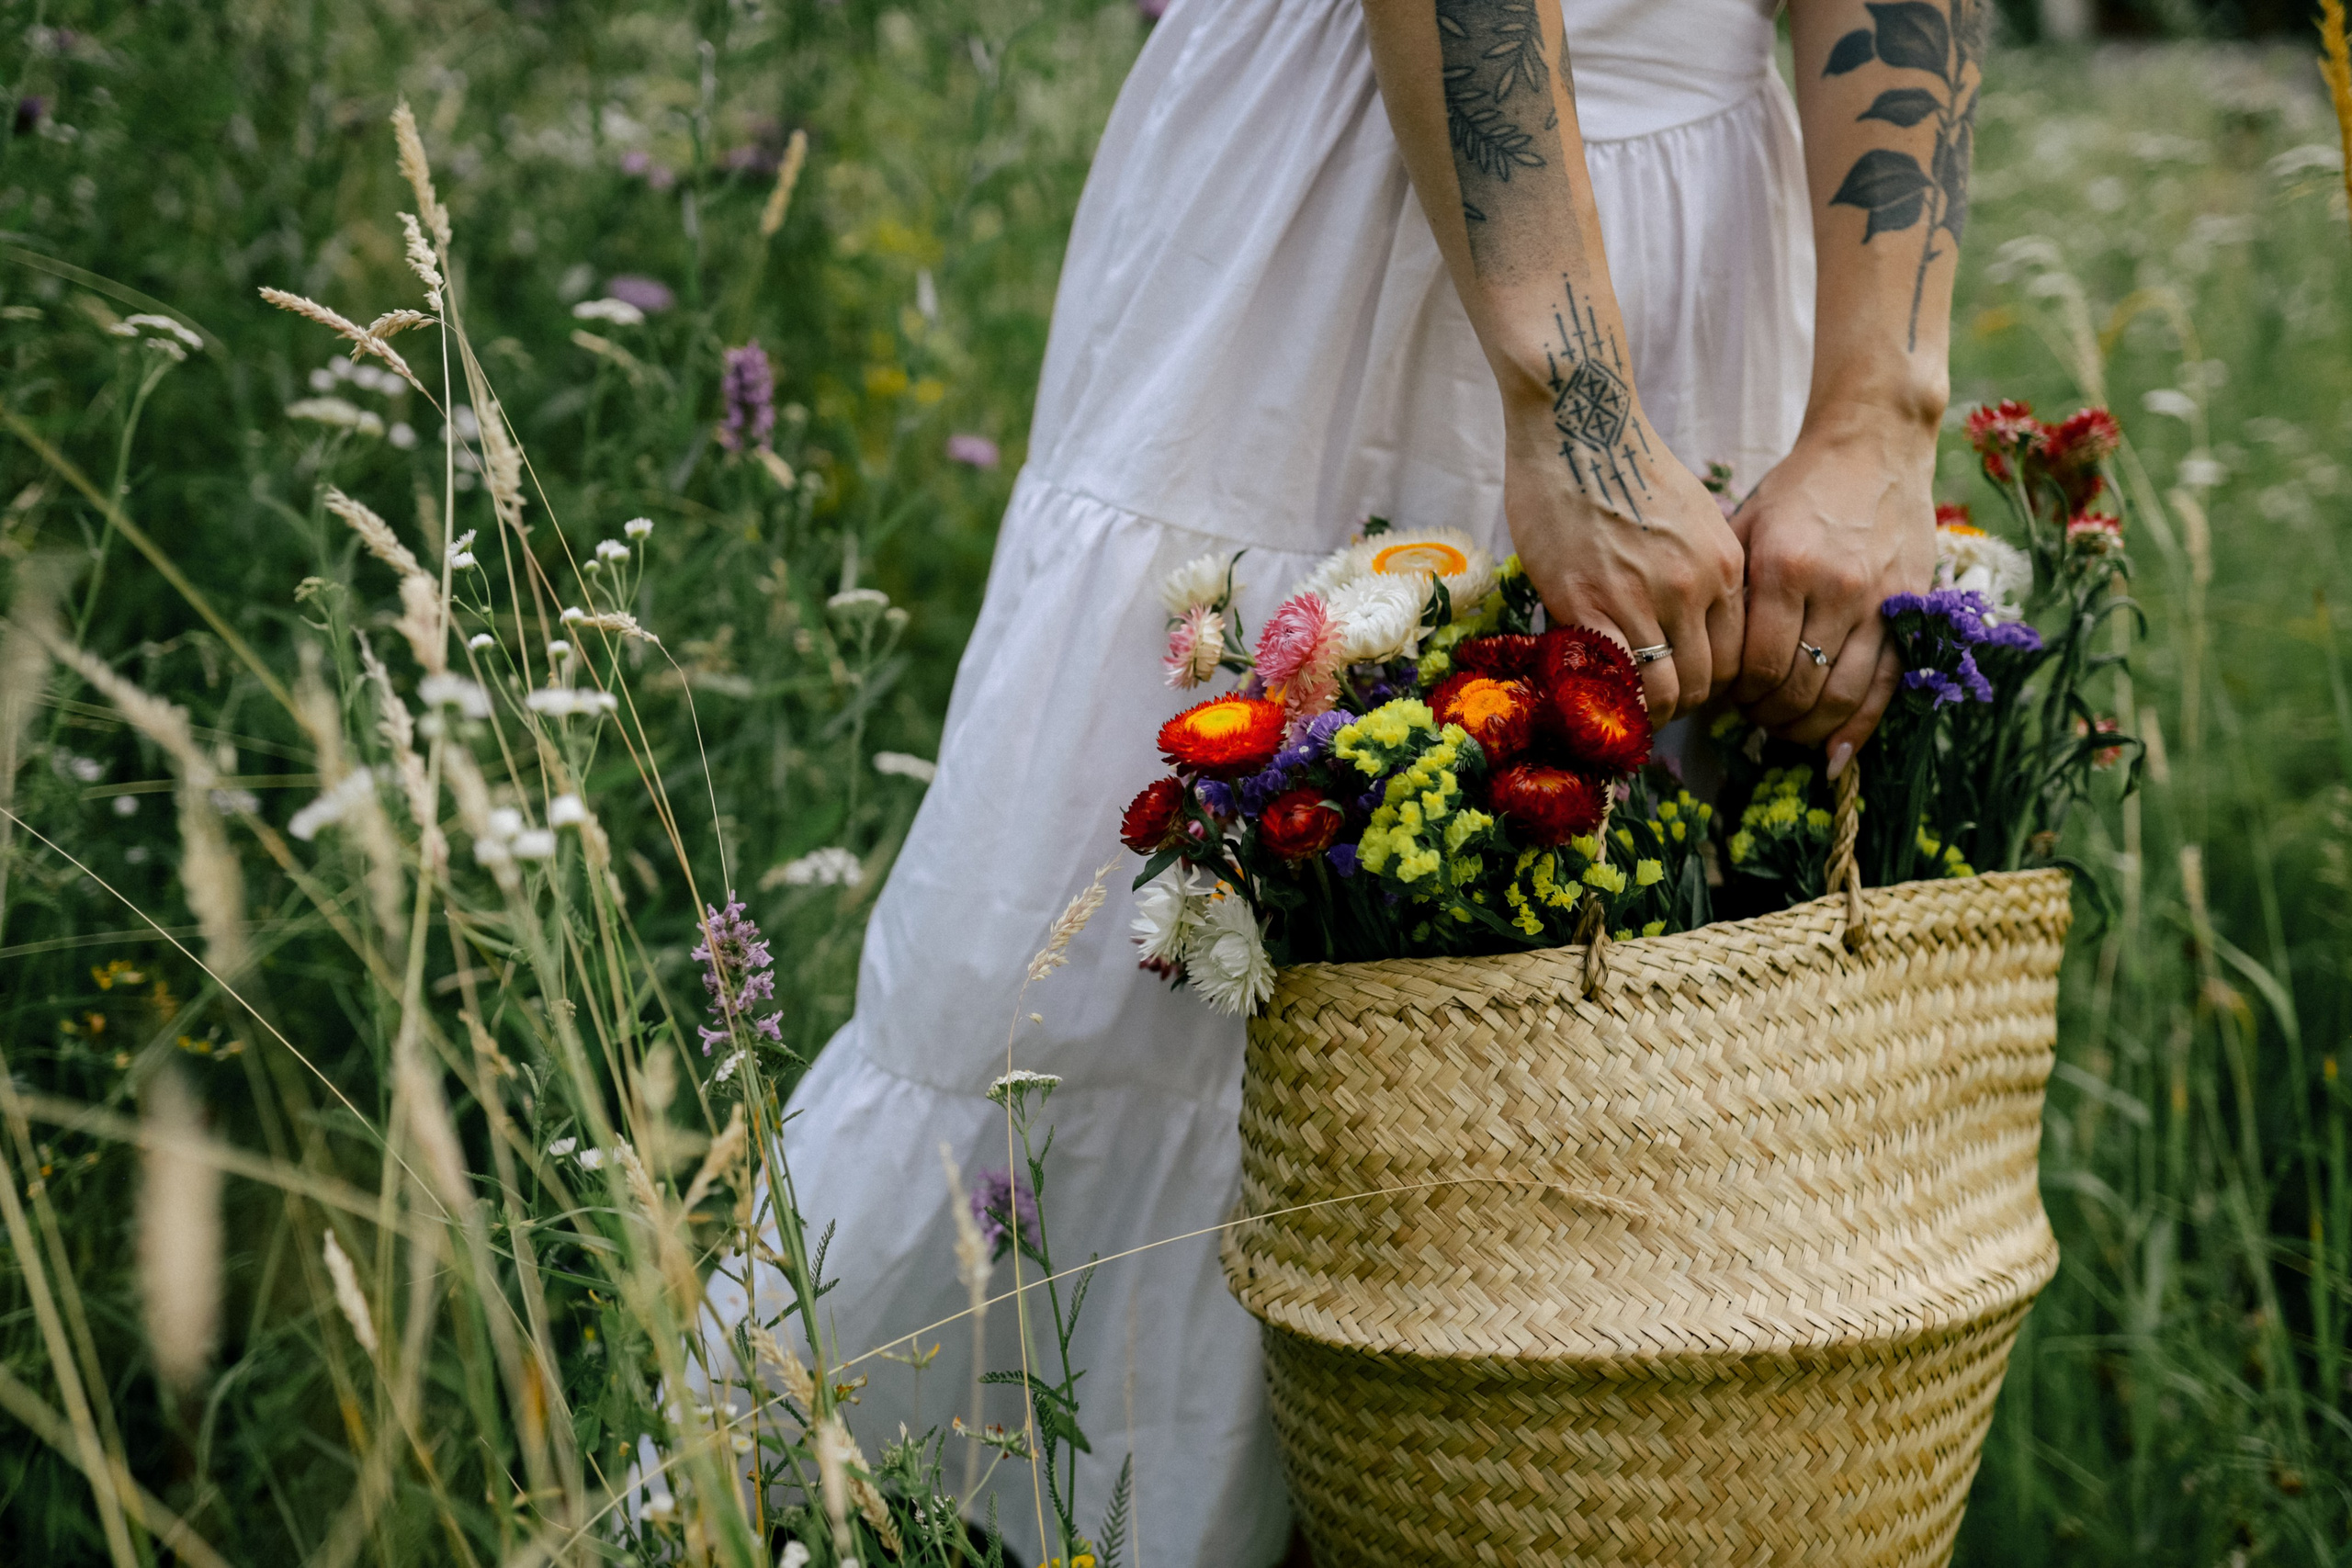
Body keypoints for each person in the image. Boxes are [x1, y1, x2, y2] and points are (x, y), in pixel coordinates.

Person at [709, 0, 1972, 1562]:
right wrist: (1571, 407)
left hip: (1709, 234)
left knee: (1629, 1124)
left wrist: (1877, 417)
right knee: (1128, 1025)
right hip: (1355, 227)